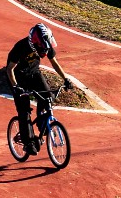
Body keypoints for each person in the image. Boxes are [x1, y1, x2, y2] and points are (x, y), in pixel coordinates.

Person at [6, 24, 74, 155]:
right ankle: (28, 143)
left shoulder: (45, 43)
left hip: (34, 73)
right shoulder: (20, 47)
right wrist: (16, 87)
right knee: (24, 109)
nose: (45, 52)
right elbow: (10, 69)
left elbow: (54, 63)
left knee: (48, 97)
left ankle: (42, 122)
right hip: (17, 77)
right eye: (42, 49)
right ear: (35, 44)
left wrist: (65, 79)